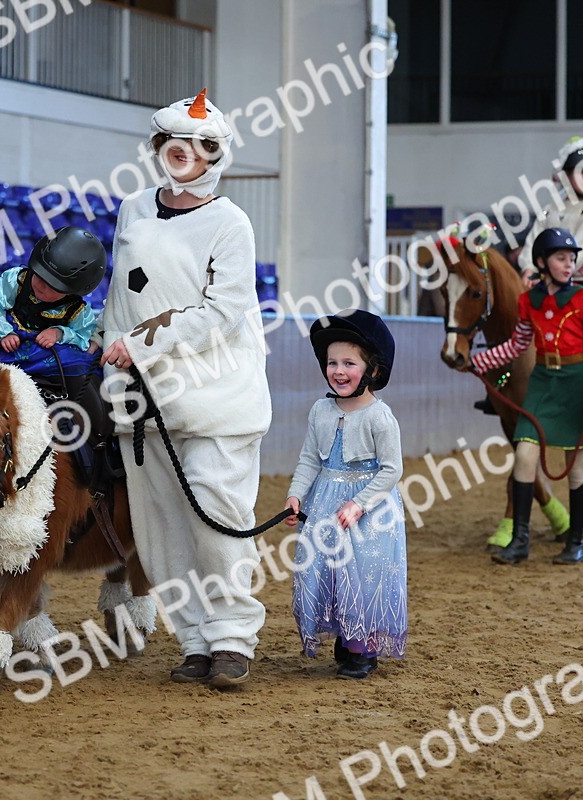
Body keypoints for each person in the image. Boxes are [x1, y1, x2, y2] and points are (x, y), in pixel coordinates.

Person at [99, 89, 271, 688]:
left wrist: (143, 343)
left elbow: (224, 311)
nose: (185, 152)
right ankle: (195, 640)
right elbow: (119, 295)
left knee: (215, 512)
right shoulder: (132, 208)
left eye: (200, 145)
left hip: (216, 394)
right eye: (176, 142)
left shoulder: (231, 223)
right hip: (143, 399)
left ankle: (232, 638)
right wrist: (113, 357)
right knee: (161, 528)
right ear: (160, 145)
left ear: (215, 155)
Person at [472, 228, 583, 566]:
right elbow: (516, 345)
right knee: (524, 455)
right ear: (541, 262)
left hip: (579, 381)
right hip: (543, 382)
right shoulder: (529, 301)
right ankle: (520, 541)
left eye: (571, 259)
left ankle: (575, 543)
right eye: (561, 258)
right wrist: (478, 362)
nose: (569, 265)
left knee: (577, 468)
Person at [283, 310, 406, 680]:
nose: (338, 370)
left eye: (349, 363)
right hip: (325, 501)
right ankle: (347, 633)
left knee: (363, 575)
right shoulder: (320, 410)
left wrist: (359, 504)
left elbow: (392, 470)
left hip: (368, 508)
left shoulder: (379, 417)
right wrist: (296, 495)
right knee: (326, 570)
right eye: (332, 362)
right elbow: (310, 458)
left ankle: (362, 649)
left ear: (373, 370)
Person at [515, 137, 583, 423]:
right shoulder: (550, 209)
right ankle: (509, 386)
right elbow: (532, 241)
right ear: (567, 176)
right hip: (547, 281)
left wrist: (546, 271)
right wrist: (527, 268)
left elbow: (581, 248)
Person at [0, 225, 104, 377]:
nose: (42, 286)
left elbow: (83, 336)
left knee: (78, 364)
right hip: (7, 344)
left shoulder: (78, 311)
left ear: (70, 291)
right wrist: (4, 333)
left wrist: (59, 333)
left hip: (42, 355)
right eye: (39, 277)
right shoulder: (15, 280)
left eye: (53, 286)